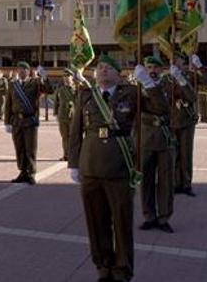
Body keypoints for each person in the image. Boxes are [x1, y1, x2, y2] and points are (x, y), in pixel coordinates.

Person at [68, 55, 168, 282]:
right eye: (99, 68)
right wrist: (73, 164)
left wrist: (149, 84)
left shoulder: (131, 93)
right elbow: (75, 133)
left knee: (122, 222)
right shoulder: (86, 96)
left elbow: (161, 109)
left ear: (118, 73)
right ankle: (103, 267)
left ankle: (122, 270)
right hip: (91, 167)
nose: (102, 71)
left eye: (108, 68)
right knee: (96, 222)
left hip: (120, 168)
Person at [139, 56, 181, 233]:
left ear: (162, 70)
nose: (152, 70)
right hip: (146, 139)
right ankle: (149, 215)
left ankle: (164, 217)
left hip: (165, 139)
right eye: (149, 67)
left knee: (166, 181)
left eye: (156, 67)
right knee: (146, 181)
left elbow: (189, 98)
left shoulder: (169, 85)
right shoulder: (137, 87)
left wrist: (181, 78)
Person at [170, 54, 207, 197]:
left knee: (186, 153)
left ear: (183, 62)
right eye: (173, 61)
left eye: (178, 60)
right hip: (171, 119)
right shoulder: (167, 78)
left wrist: (200, 66)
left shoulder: (191, 75)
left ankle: (186, 184)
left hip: (187, 119)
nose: (176, 63)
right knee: (174, 154)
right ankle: (176, 183)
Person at [5, 61, 53, 184]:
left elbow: (49, 90)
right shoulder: (12, 84)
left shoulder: (35, 83)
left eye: (24, 70)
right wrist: (7, 122)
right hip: (16, 120)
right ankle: (22, 171)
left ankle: (31, 173)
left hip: (29, 120)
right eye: (19, 69)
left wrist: (44, 77)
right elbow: (8, 104)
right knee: (19, 148)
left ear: (28, 71)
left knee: (30, 148)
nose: (21, 72)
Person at [53, 70, 76, 161]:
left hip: (73, 116)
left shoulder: (76, 89)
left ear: (72, 77)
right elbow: (56, 102)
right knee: (65, 137)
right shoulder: (60, 90)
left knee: (73, 137)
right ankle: (66, 155)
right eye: (65, 77)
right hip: (62, 116)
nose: (66, 78)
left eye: (68, 76)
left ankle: (73, 155)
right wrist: (55, 113)